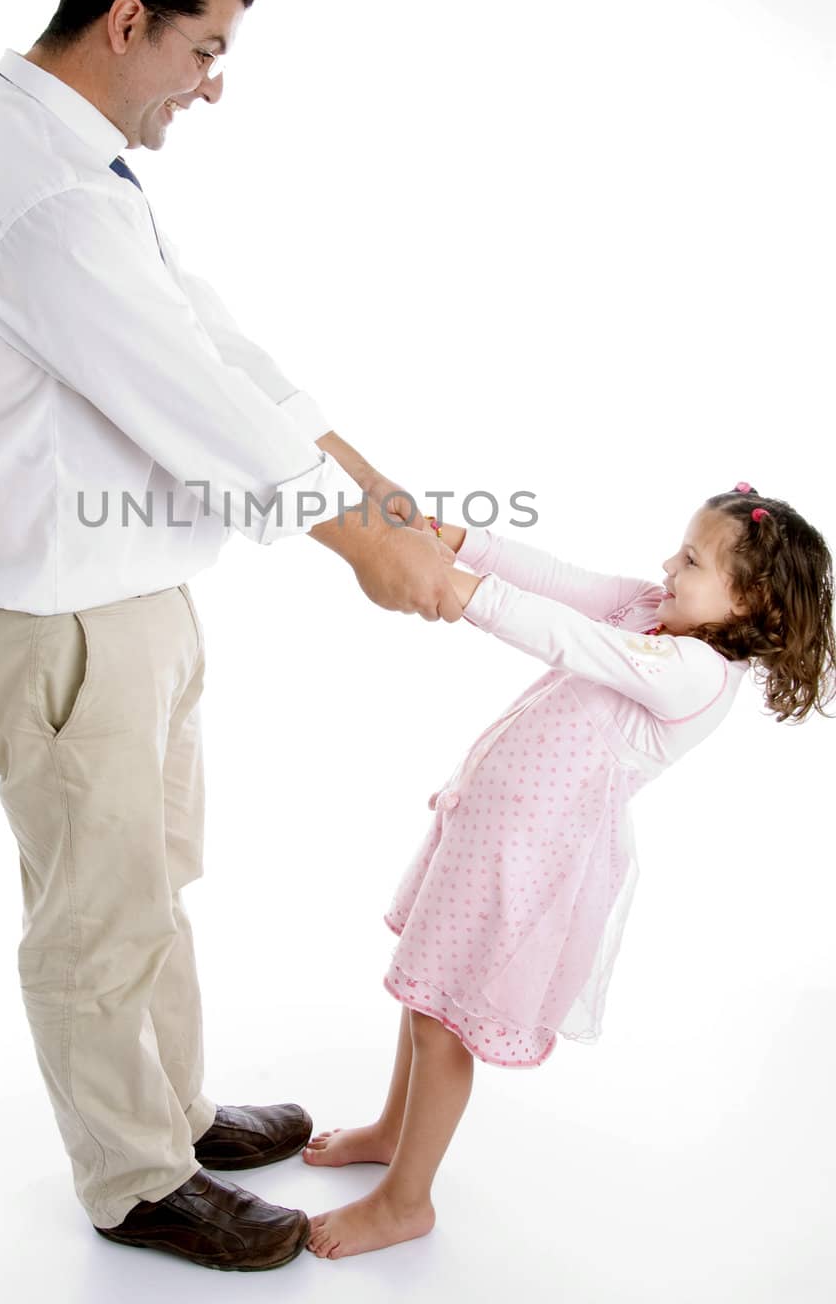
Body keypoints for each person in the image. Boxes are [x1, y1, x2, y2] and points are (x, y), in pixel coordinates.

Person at [0, 0, 462, 1274]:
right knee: (99, 914)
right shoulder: (39, 192)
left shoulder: (73, 160)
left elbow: (212, 347)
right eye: (205, 53)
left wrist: (384, 492)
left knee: (153, 881)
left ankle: (173, 1113)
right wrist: (367, 548)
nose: (214, 89)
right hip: (54, 624)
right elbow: (191, 410)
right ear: (127, 19)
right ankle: (135, 1182)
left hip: (126, 603)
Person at [303, 484, 835, 1260]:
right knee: (423, 987)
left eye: (690, 559)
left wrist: (462, 593)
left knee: (442, 1018)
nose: (666, 565)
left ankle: (406, 1202)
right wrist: (456, 543)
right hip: (487, 830)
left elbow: (564, 635)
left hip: (528, 860)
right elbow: (560, 583)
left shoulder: (692, 672)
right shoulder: (657, 609)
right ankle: (392, 1131)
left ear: (747, 600)